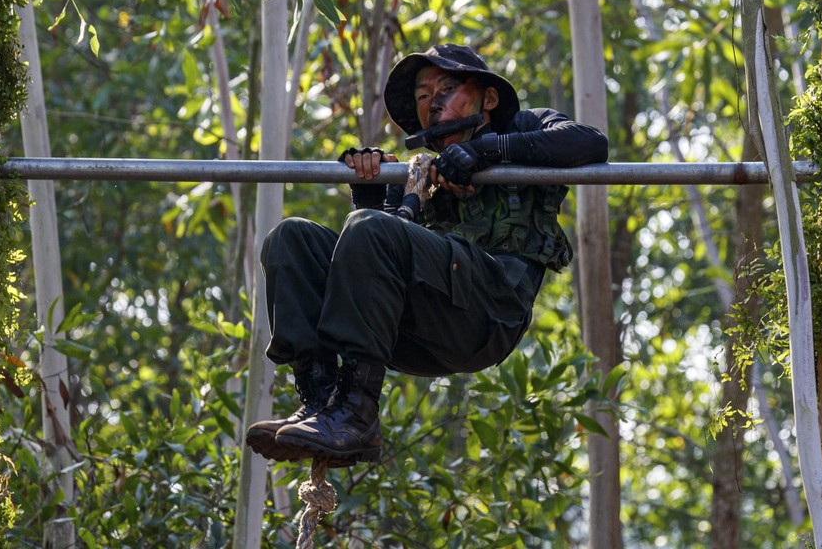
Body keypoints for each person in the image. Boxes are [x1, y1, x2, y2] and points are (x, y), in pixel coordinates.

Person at [245, 44, 608, 466]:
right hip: (417, 329)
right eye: (422, 95)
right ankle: (325, 405)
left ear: (488, 98)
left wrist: (488, 152)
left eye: (448, 88)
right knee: (291, 239)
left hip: (487, 312)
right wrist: (370, 194)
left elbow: (591, 144)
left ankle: (355, 415)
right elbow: (375, 270)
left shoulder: (527, 129)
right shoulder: (418, 174)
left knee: (372, 229)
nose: (433, 102)